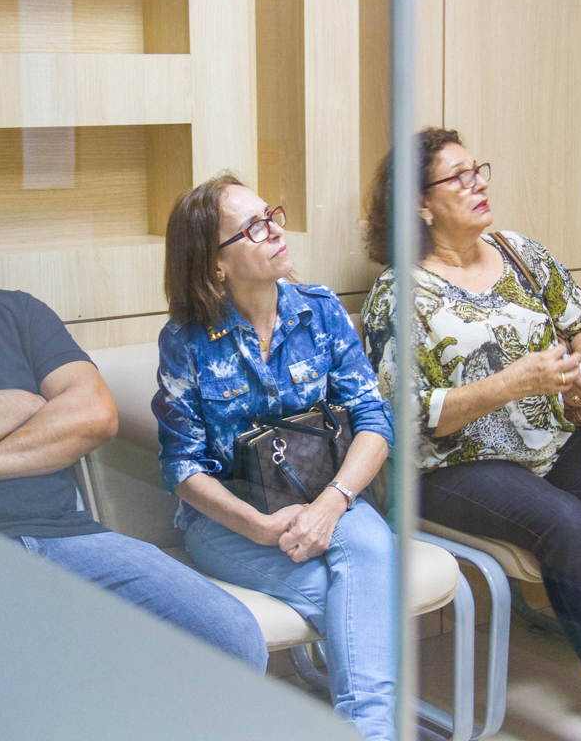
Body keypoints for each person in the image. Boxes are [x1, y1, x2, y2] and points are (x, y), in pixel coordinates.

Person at [0, 150, 268, 671]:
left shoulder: (19, 313)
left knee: (231, 637)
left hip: (66, 538)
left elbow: (95, 415)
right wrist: (26, 403)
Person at [362, 129, 581, 741]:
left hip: (548, 442)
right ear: (420, 203)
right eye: (459, 177)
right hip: (452, 465)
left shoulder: (521, 253)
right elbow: (403, 416)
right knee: (566, 522)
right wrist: (509, 383)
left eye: (479, 170)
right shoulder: (398, 293)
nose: (479, 184)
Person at [152, 174, 398, 741]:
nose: (276, 231)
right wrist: (259, 528)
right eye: (254, 228)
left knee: (369, 552)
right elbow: (181, 466)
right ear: (216, 264)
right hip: (230, 521)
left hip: (328, 495)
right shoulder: (185, 340)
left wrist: (333, 503)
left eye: (272, 216)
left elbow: (374, 419)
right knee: (362, 596)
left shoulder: (321, 310)